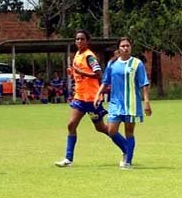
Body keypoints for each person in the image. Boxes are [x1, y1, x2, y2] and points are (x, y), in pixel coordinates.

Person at [54, 29, 128, 167]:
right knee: (71, 125)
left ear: (88, 41)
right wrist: (73, 73)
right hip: (79, 98)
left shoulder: (89, 56)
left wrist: (81, 72)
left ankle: (126, 149)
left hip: (92, 99)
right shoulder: (77, 54)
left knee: (101, 128)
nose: (79, 41)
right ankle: (68, 159)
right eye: (77, 39)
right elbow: (79, 75)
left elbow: (99, 74)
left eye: (82, 39)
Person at [94, 37, 151, 169]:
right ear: (118, 48)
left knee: (129, 132)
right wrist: (98, 94)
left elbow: (144, 83)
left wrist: (146, 101)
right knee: (111, 130)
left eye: (128, 46)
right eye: (123, 46)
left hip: (131, 103)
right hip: (115, 103)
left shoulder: (137, 64)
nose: (125, 48)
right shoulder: (112, 64)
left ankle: (128, 161)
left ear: (131, 47)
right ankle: (127, 150)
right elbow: (105, 81)